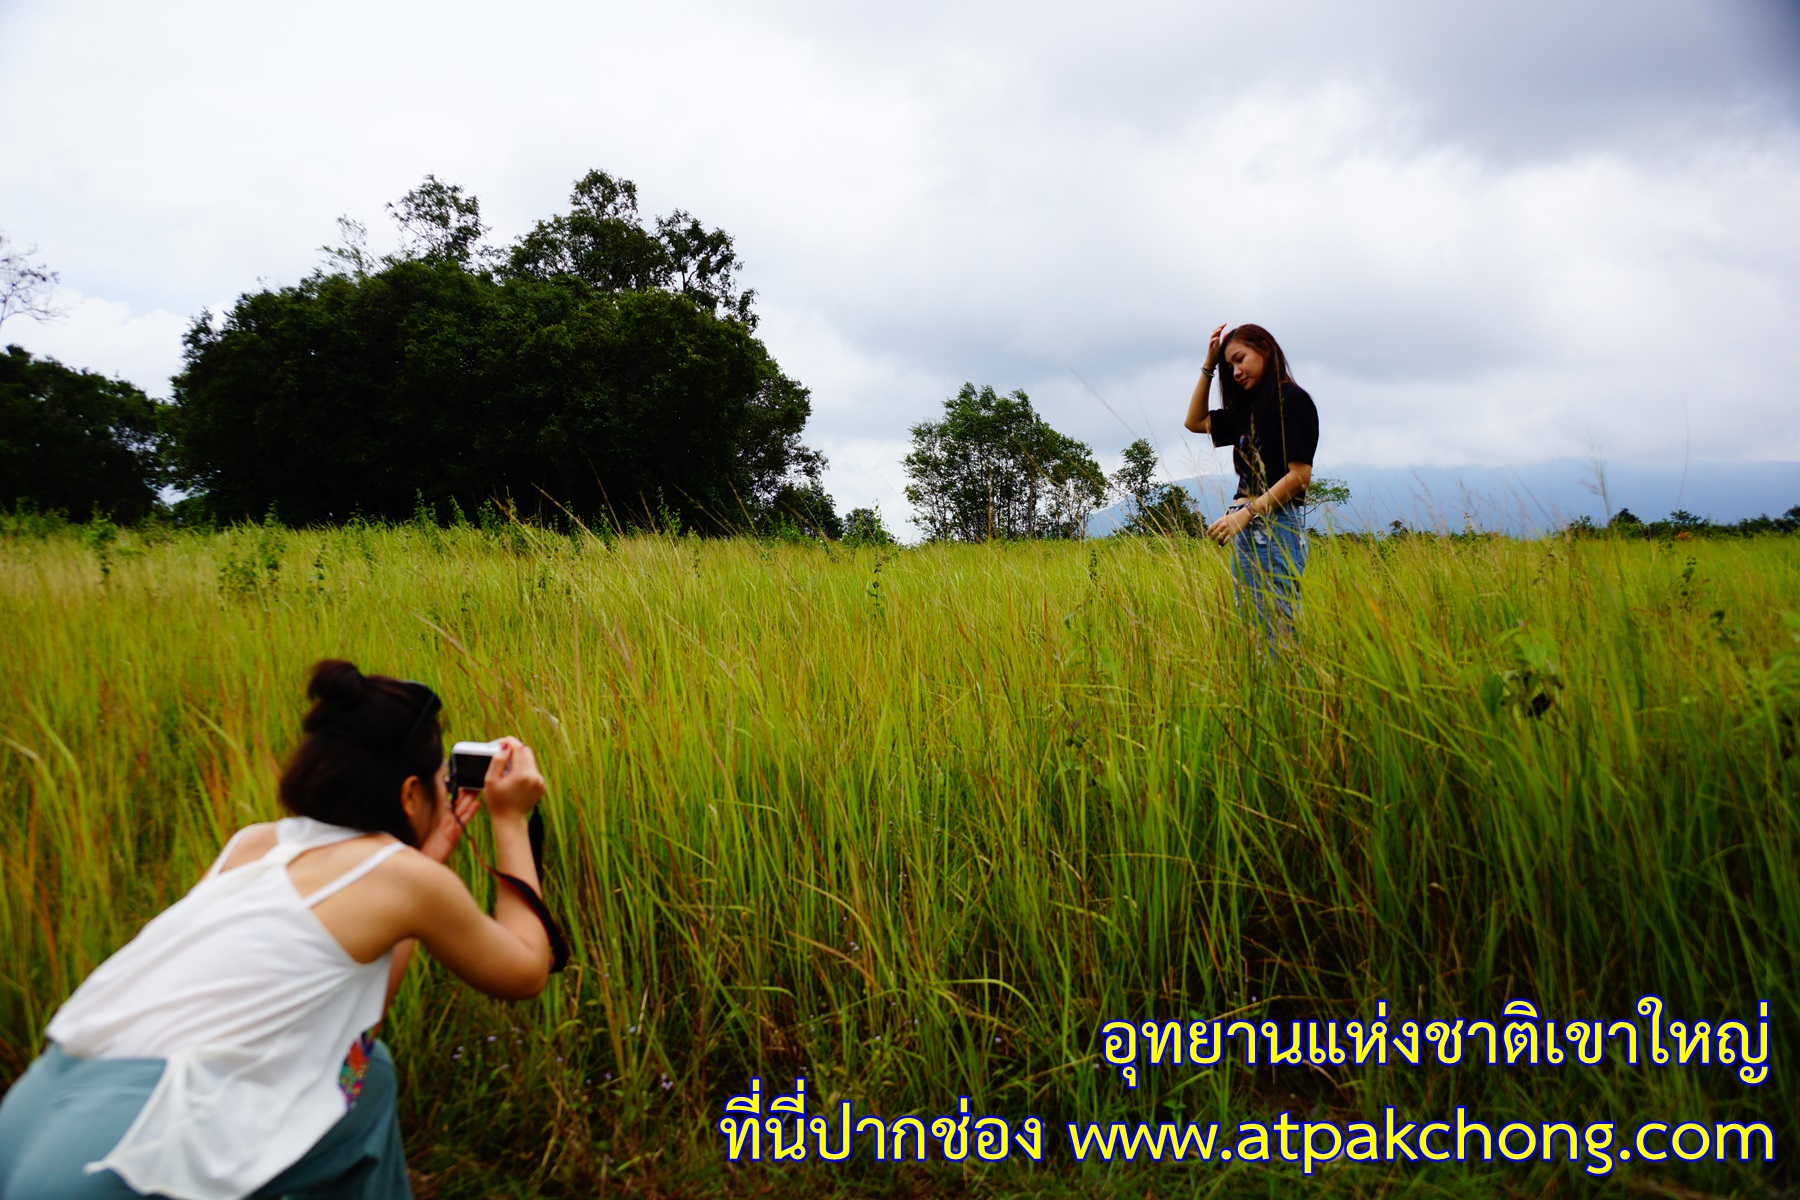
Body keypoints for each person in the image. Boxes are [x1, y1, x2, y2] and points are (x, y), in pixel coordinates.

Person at [0, 660, 560, 1200]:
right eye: (439, 781)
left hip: (37, 1107)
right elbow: (526, 968)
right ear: (411, 793)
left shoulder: (256, 842)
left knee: (369, 1077)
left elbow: (363, 1012)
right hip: (130, 1148)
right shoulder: (403, 880)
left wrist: (427, 855)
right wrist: (509, 820)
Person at [1183, 323, 1319, 650]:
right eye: (1229, 366)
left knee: (1277, 632)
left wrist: (1245, 515)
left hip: (1273, 526)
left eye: (1240, 359)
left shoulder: (1293, 401)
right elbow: (1194, 421)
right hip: (1247, 530)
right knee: (1255, 631)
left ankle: (1288, 697)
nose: (1236, 371)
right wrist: (1208, 366)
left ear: (1265, 348)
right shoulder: (1248, 411)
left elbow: (1300, 475)